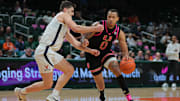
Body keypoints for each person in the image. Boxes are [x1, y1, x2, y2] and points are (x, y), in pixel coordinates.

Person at [14, 1, 103, 101]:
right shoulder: (63, 15)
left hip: (49, 52)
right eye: (72, 11)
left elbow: (76, 44)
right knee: (48, 83)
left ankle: (22, 92)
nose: (73, 14)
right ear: (65, 10)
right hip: (45, 50)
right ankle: (51, 95)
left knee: (66, 72)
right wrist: (95, 28)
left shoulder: (63, 28)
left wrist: (90, 50)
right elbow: (76, 28)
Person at [82, 9, 133, 101]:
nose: (110, 19)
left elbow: (123, 44)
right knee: (100, 83)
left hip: (105, 52)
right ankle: (102, 95)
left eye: (113, 17)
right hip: (92, 53)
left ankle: (128, 96)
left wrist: (125, 55)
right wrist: (85, 40)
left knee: (116, 68)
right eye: (109, 17)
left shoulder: (118, 31)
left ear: (117, 19)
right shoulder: (98, 25)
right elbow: (85, 35)